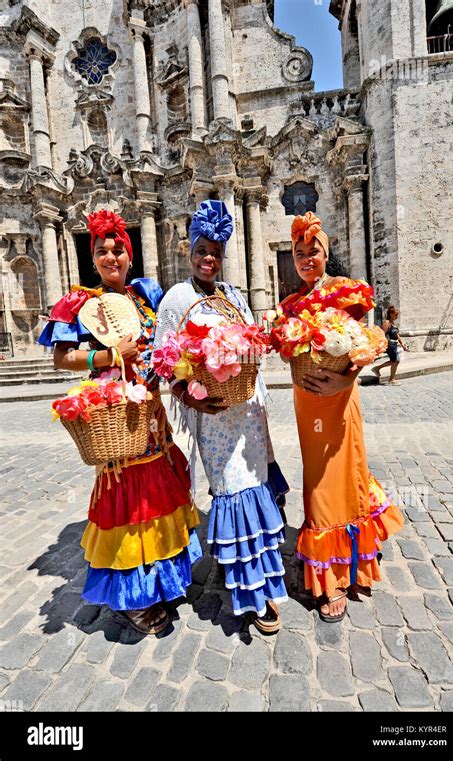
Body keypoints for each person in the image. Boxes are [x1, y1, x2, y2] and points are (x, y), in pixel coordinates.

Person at [38, 209, 202, 635]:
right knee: (130, 502)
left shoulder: (143, 297)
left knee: (161, 494)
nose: (111, 257)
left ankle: (161, 581)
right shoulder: (80, 302)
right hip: (115, 418)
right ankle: (134, 598)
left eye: (118, 250)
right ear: (92, 258)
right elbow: (60, 358)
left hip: (152, 413)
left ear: (130, 257)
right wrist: (108, 356)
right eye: (102, 251)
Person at [154, 200, 289, 633]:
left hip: (247, 409)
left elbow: (250, 345)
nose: (209, 258)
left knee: (256, 484)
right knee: (233, 489)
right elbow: (164, 361)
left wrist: (253, 349)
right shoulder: (177, 299)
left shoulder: (233, 295)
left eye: (216, 252)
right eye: (201, 250)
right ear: (189, 252)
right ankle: (249, 589)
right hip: (212, 417)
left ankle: (264, 579)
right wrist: (190, 399)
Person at [279, 212, 404, 623]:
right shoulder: (291, 305)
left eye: (312, 250)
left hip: (340, 397)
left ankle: (352, 564)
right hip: (308, 402)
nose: (305, 258)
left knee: (348, 472)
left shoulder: (345, 292)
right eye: (299, 253)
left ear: (325, 253)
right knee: (318, 483)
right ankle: (329, 574)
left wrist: (343, 381)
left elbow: (367, 342)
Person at [371, 305, 409, 385]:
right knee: (394, 361)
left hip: (395, 345)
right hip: (390, 345)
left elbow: (397, 335)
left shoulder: (393, 323)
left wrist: (403, 345)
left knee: (396, 361)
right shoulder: (387, 322)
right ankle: (392, 379)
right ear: (391, 314)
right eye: (396, 314)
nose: (397, 316)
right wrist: (382, 345)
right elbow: (382, 334)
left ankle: (377, 368)